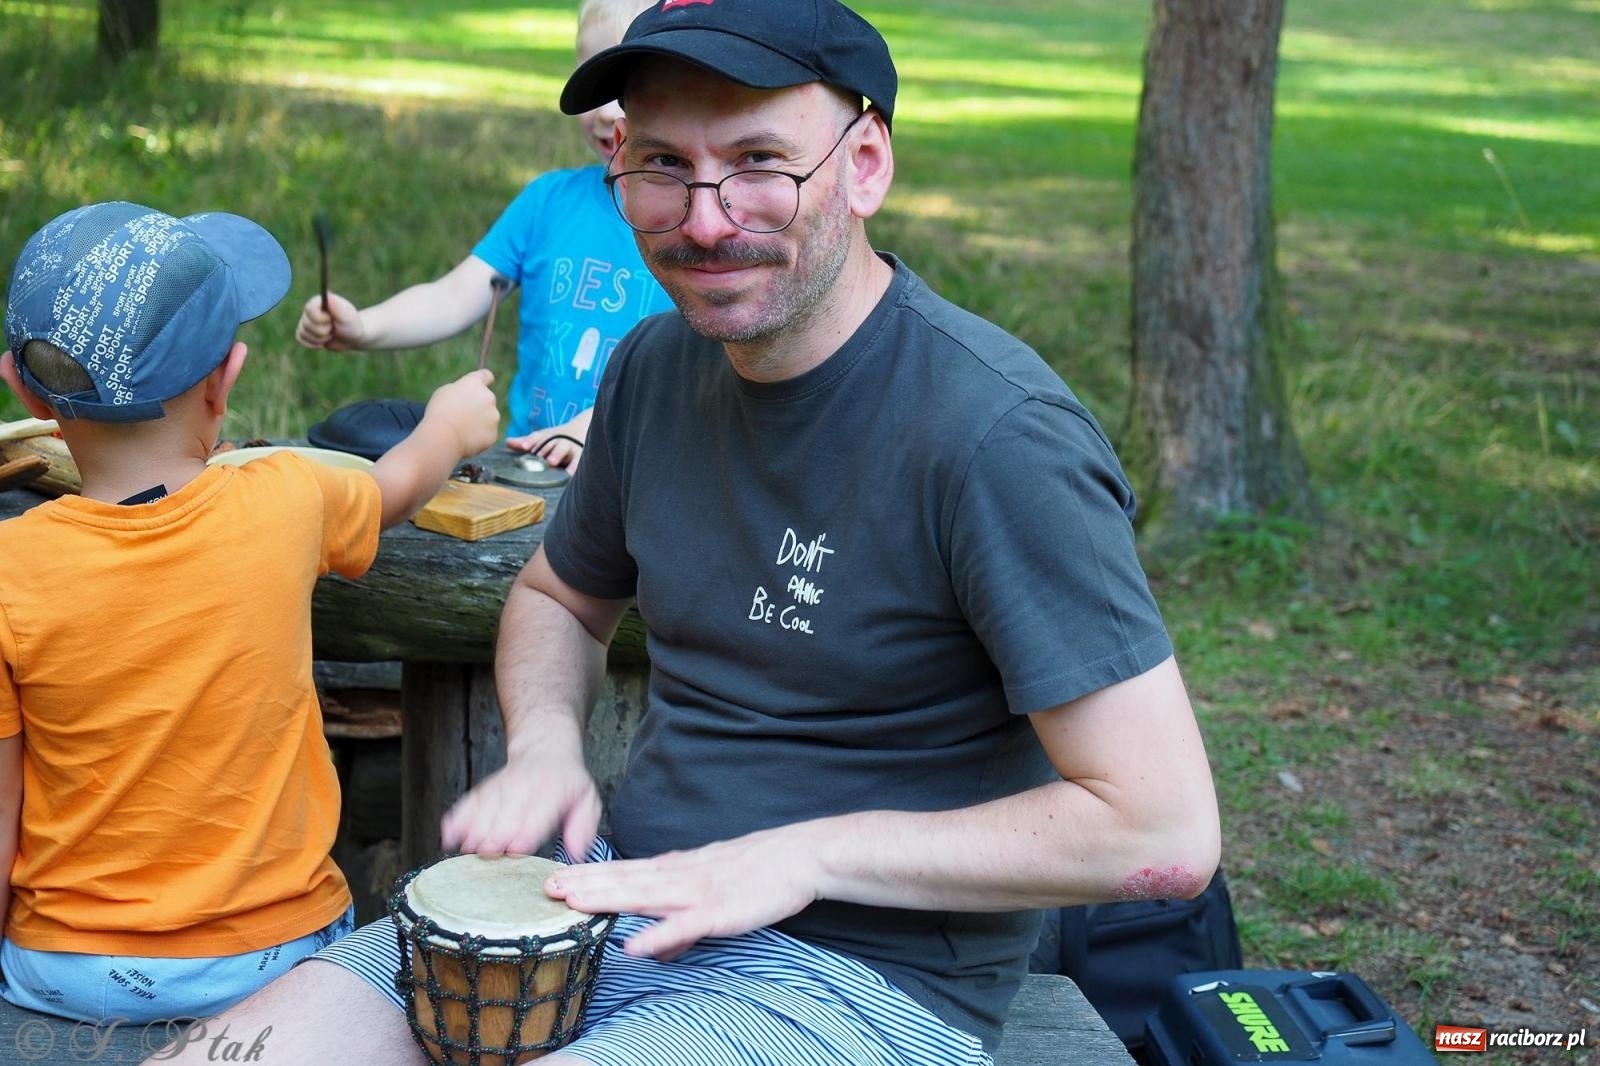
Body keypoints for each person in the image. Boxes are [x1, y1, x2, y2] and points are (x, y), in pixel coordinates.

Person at [159, 0, 1220, 1062]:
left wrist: (795, 858)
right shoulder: (654, 368)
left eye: (760, 161)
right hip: (613, 899)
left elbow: (1161, 831)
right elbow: (558, 597)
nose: (705, 220)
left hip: (858, 980)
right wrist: (542, 749)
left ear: (863, 166)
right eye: (664, 162)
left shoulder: (996, 436)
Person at [0, 200, 500, 1025]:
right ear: (225, 381)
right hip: (271, 956)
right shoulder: (288, 496)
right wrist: (449, 425)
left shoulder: (13, 567)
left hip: (68, 967)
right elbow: (399, 487)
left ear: (25, 391)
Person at [294, 0, 666, 471]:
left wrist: (598, 425)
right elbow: (453, 295)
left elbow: (697, 369)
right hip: (529, 467)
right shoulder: (547, 202)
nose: (602, 114)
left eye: (623, 88)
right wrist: (365, 327)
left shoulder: (692, 221)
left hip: (640, 476)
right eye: (593, 83)